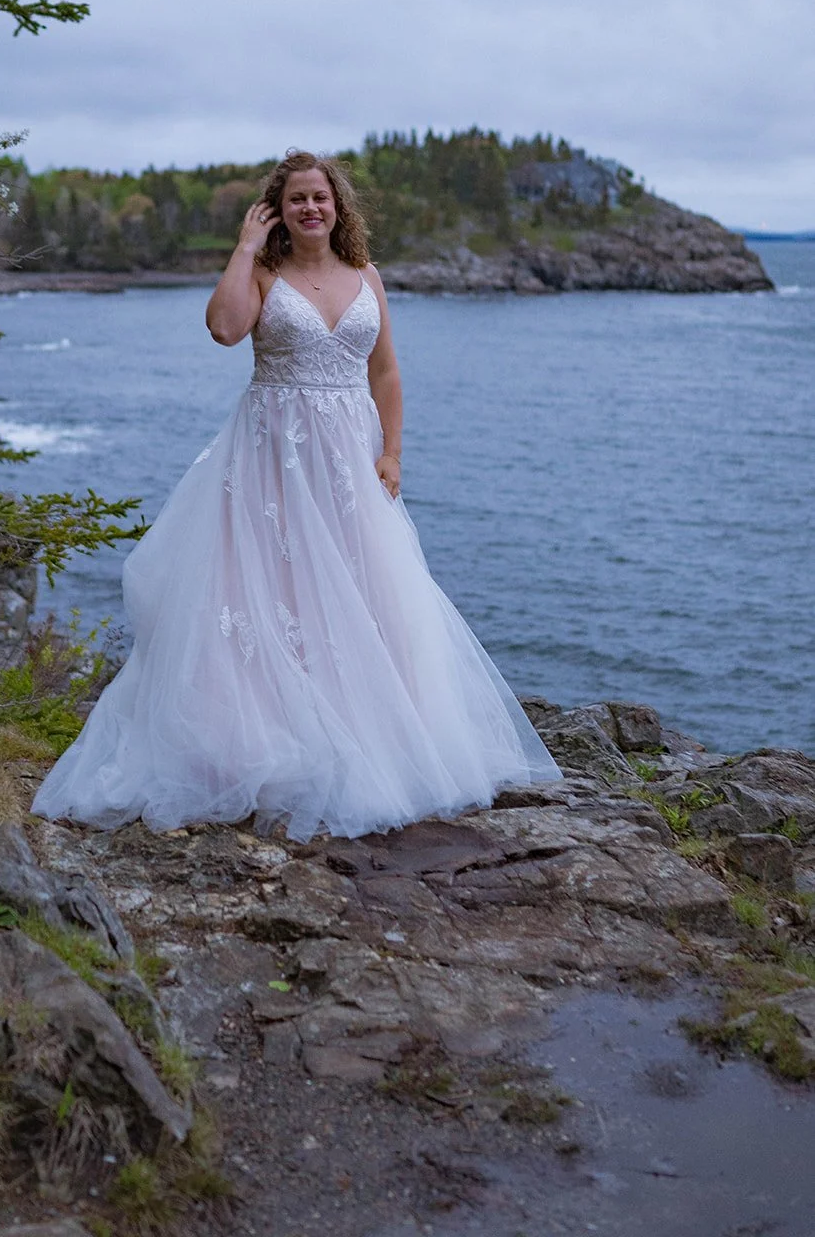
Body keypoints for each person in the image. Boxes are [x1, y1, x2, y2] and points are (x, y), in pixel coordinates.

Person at [31, 149, 560, 841]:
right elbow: (223, 329)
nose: (311, 208)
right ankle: (257, 743)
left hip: (349, 462)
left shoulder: (365, 275)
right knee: (264, 593)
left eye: (320, 197)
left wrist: (392, 452)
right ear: (277, 210)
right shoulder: (262, 270)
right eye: (296, 200)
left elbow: (387, 374)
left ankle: (370, 741)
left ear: (337, 204)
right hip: (270, 458)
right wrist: (246, 245)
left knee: (361, 593)